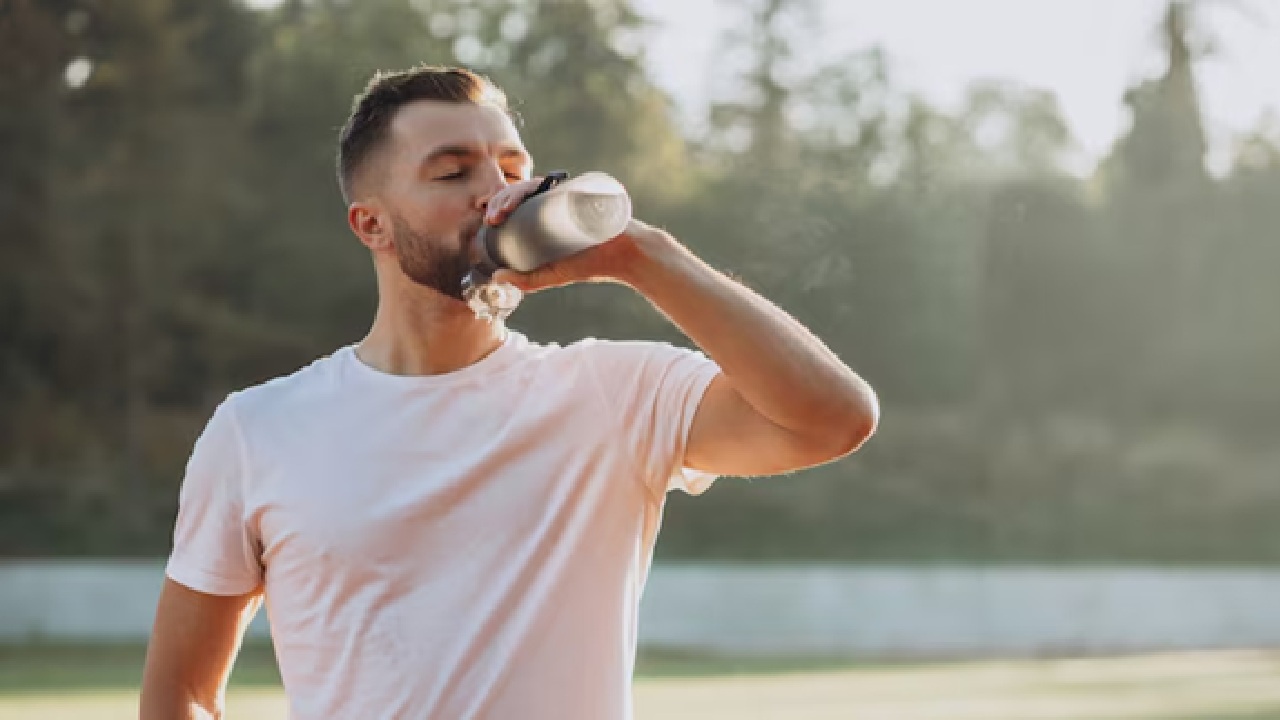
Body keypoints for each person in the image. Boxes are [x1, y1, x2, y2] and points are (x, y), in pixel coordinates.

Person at [139, 64, 878, 720]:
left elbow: (833, 420)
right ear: (372, 225)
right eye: (453, 172)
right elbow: (183, 695)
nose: (496, 192)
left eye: (512, 165)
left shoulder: (613, 392)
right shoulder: (257, 429)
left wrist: (644, 256)